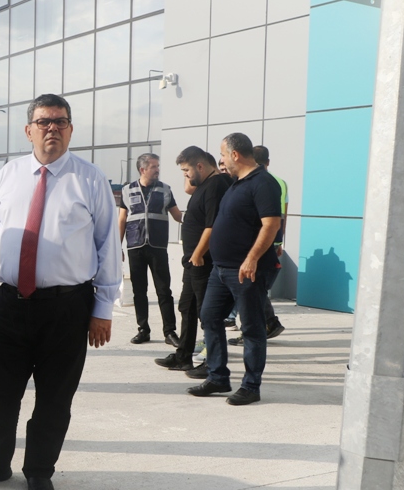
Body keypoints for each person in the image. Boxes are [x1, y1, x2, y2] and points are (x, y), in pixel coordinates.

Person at [0, 94, 121, 490]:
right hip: (11, 303)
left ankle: (39, 471)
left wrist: (103, 310)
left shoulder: (90, 179)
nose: (52, 128)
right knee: (0, 391)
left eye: (60, 122)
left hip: (68, 307)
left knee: (54, 397)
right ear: (28, 130)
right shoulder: (9, 174)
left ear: (70, 130)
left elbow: (108, 247)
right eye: (44, 121)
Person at [189, 132, 282, 406]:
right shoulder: (235, 184)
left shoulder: (263, 183)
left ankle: (251, 386)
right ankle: (218, 377)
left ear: (235, 154)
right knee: (209, 317)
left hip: (246, 271)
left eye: (222, 154)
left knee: (252, 328)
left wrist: (252, 258)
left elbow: (271, 224)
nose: (221, 160)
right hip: (220, 269)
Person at [155, 147, 229, 373]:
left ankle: (212, 363)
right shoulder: (204, 184)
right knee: (187, 307)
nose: (185, 175)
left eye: (186, 170)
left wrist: (197, 254)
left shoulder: (216, 185)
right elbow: (189, 187)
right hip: (192, 262)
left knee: (207, 313)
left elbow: (213, 225)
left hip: (202, 261)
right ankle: (183, 356)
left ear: (200, 166)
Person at [119, 154, 182, 345]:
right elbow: (122, 220)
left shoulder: (165, 189)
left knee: (164, 290)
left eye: (158, 166)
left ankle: (169, 332)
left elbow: (177, 215)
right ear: (143, 169)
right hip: (135, 247)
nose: (157, 170)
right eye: (154, 167)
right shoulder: (127, 190)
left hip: (158, 247)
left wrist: (199, 221)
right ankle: (143, 330)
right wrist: (117, 247)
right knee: (139, 291)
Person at [229, 145, 286, 344]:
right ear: (268, 161)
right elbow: (283, 215)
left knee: (250, 288)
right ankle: (268, 322)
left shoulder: (252, 181)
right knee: (255, 288)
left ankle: (257, 327)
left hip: (255, 242)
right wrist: (279, 240)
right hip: (271, 239)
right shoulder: (280, 182)